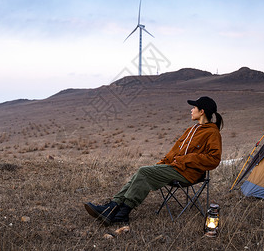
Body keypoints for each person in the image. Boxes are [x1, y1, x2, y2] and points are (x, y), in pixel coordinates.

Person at [84, 96, 223, 225]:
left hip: (188, 174)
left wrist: (186, 159)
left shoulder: (212, 132)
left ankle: (122, 213)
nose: (191, 110)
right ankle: (113, 207)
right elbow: (173, 152)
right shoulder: (191, 130)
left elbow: (214, 160)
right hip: (175, 168)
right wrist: (160, 166)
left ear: (202, 111)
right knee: (141, 173)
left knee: (143, 172)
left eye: (194, 108)